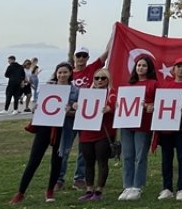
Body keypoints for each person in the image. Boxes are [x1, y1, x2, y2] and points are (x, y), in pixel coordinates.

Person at [8, 62, 78, 205]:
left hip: (62, 129)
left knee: (57, 161)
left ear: (70, 73)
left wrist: (71, 110)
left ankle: (50, 190)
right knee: (34, 160)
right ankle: (21, 192)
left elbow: (78, 112)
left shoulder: (75, 91)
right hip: (45, 127)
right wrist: (36, 107)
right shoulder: (48, 88)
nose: (62, 75)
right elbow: (36, 106)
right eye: (59, 72)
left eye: (65, 72)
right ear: (56, 73)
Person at [117, 54, 158, 201]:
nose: (141, 68)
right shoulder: (129, 85)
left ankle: (137, 186)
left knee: (140, 156)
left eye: (144, 65)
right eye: (139, 65)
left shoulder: (153, 84)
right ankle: (127, 185)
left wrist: (150, 106)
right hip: (127, 123)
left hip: (143, 124)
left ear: (149, 68)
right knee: (127, 155)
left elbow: (158, 103)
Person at [155, 56, 182, 200]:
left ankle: (181, 188)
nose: (181, 69)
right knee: (166, 158)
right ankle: (167, 188)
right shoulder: (166, 86)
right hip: (167, 127)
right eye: (178, 66)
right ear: (173, 69)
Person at [76, 69, 115, 201]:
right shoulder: (87, 93)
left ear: (108, 80)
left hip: (104, 132)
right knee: (88, 161)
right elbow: (78, 107)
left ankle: (99, 191)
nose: (99, 80)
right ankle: (89, 189)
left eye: (103, 78)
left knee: (102, 161)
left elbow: (116, 105)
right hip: (87, 132)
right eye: (97, 78)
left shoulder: (111, 93)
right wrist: (76, 106)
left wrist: (110, 108)